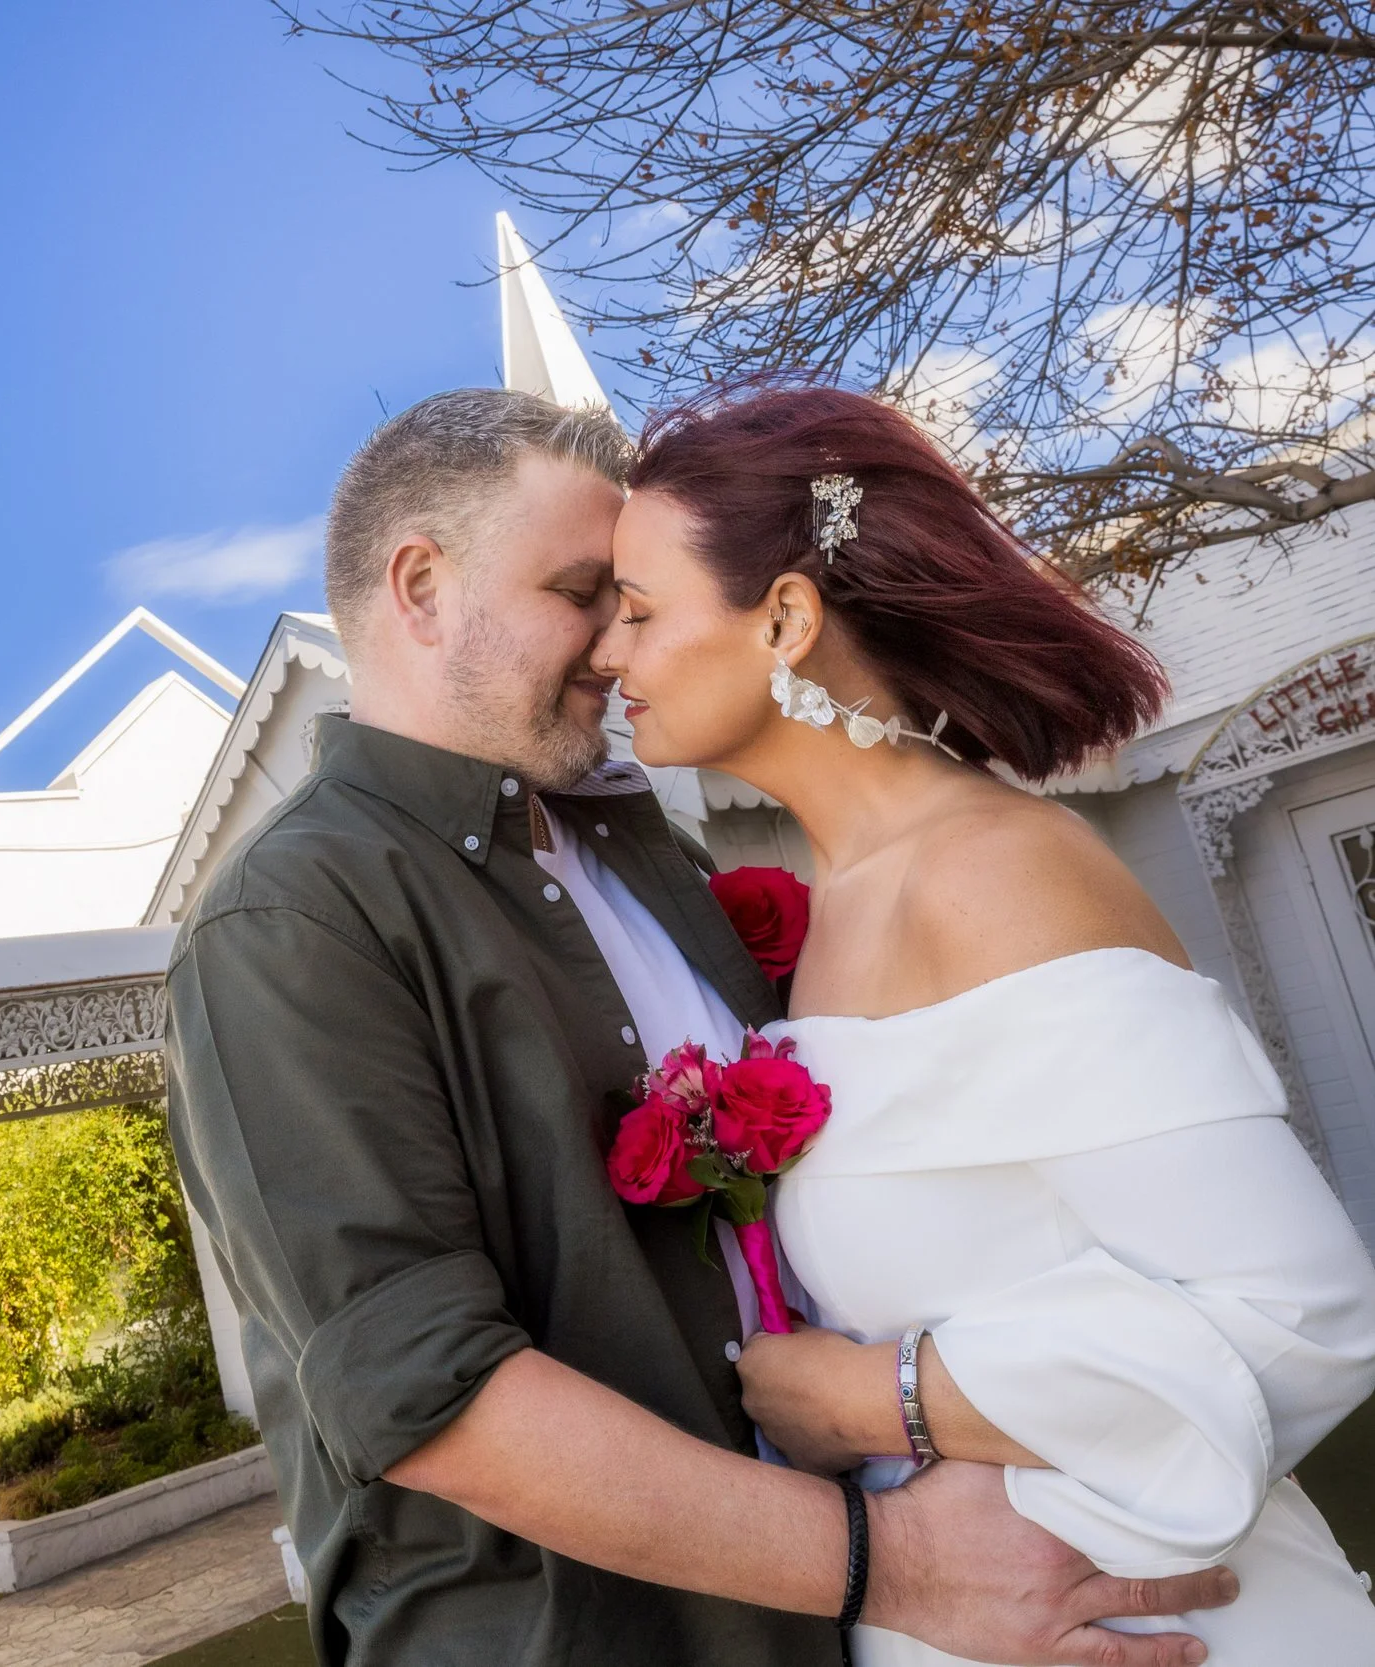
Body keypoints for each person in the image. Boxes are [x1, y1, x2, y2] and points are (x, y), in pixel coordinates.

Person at [164, 386, 1238, 1667]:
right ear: (420, 585)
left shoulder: (649, 850)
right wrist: (890, 1563)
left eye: (631, 603)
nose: (618, 646)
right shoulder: (293, 920)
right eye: (582, 593)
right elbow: (430, 1394)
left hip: (838, 1622)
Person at [592, 380, 1375, 1664]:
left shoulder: (990, 871)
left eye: (635, 611)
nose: (607, 655)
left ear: (784, 616)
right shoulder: (824, 913)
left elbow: (1305, 1315)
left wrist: (882, 1396)